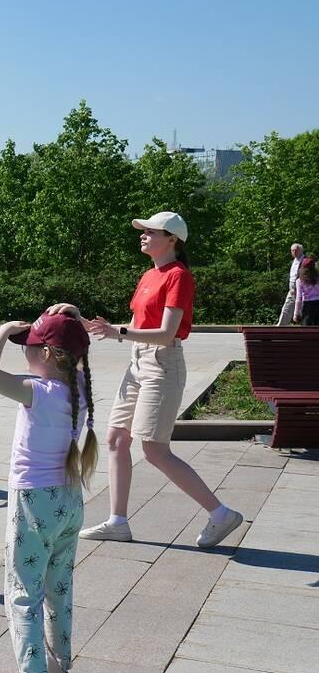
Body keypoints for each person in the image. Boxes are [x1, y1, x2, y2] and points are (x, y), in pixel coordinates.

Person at [53, 211, 243, 549]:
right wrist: (80, 319)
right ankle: (118, 522)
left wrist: (121, 332)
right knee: (115, 439)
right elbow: (132, 327)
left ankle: (221, 513)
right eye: (142, 231)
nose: (142, 235)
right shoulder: (148, 275)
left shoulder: (178, 276)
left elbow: (168, 333)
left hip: (163, 365)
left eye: (150, 231)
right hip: (138, 361)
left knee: (154, 450)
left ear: (172, 239)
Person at [0, 311, 96, 673]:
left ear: (45, 352)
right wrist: (66, 315)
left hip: (33, 501)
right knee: (58, 593)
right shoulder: (79, 386)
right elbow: (71, 332)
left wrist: (5, 329)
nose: (21, 350)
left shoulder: (37, 390)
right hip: (69, 500)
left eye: (27, 345)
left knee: (23, 594)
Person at [277, 244, 306, 326]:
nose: (294, 252)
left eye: (296, 250)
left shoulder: (304, 261)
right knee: (286, 308)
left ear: (301, 250)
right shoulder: (294, 261)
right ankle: (280, 327)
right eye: (292, 250)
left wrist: (298, 289)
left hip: (302, 290)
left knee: (303, 310)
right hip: (292, 290)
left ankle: (306, 328)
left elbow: (306, 276)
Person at [294, 256, 319, 326]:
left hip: (307, 306)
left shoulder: (299, 281)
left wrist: (296, 313)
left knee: (307, 330)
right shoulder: (317, 279)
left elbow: (298, 298)